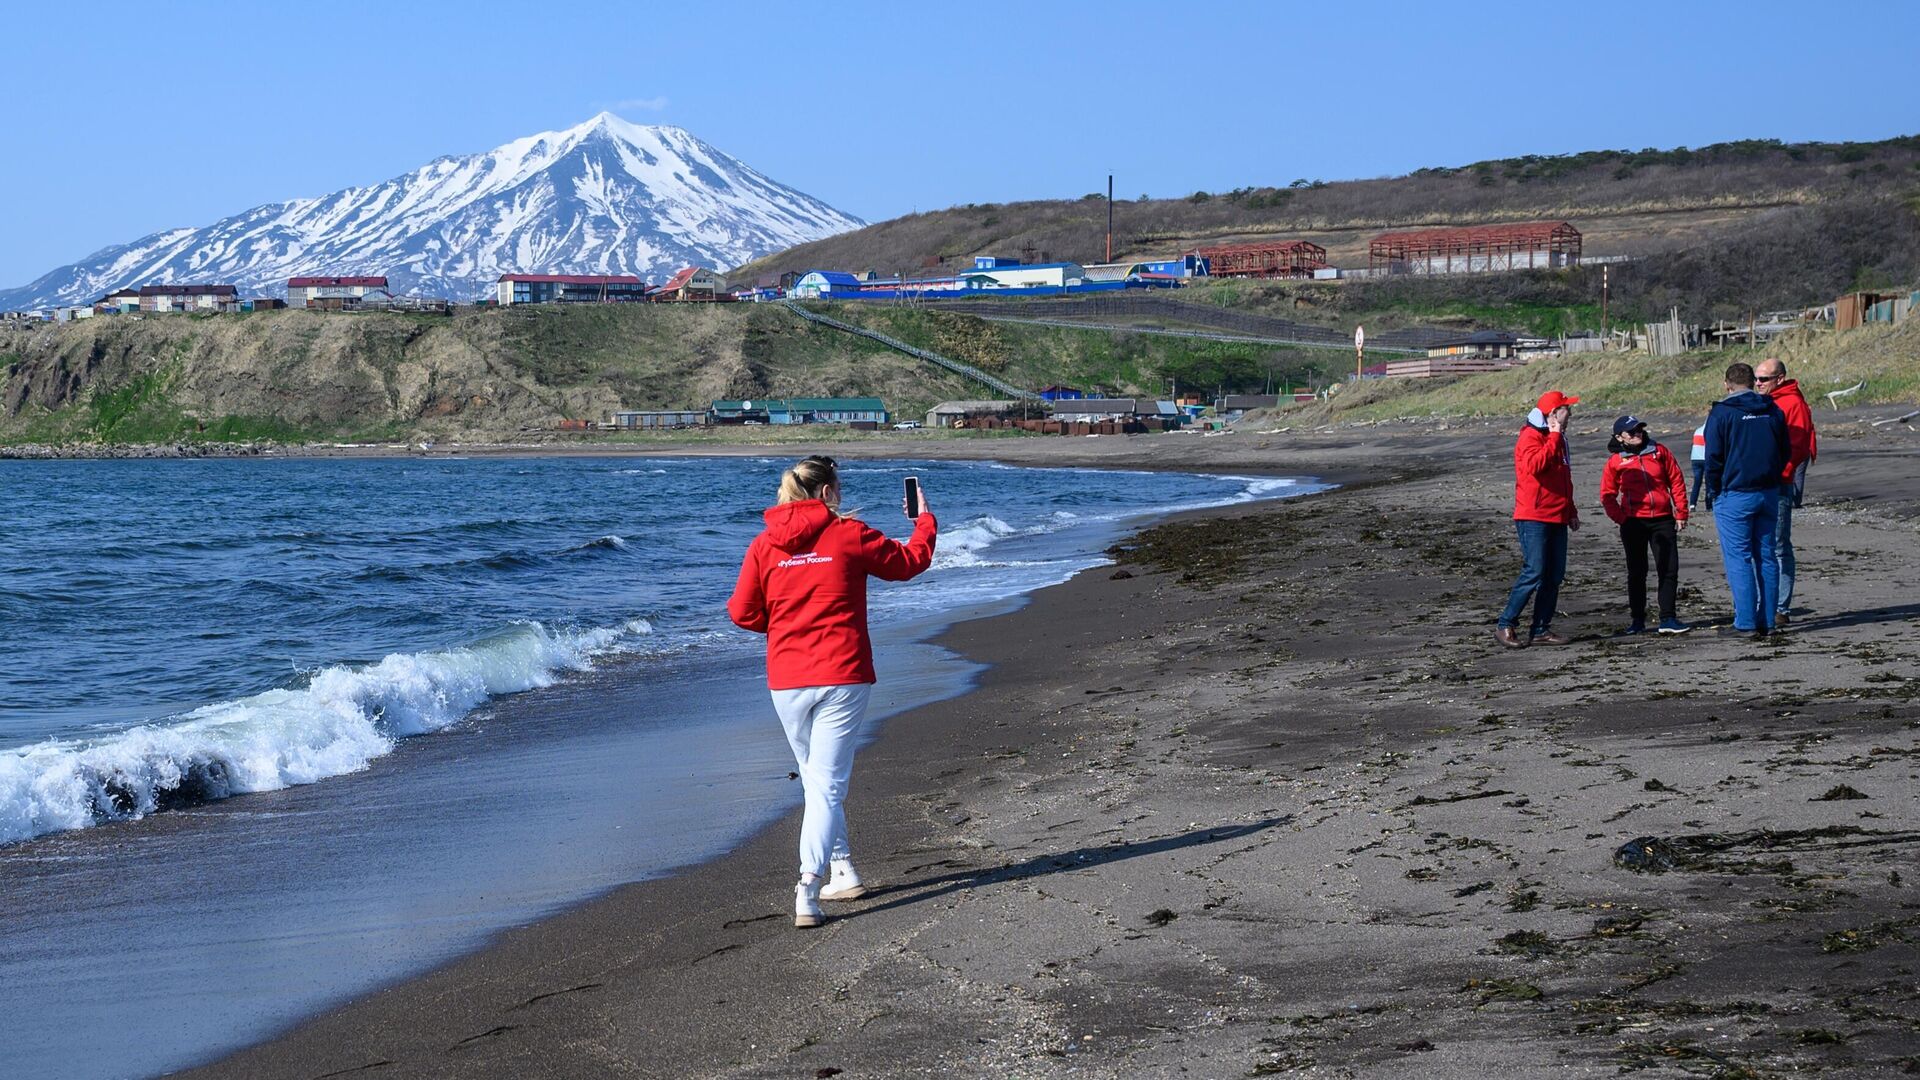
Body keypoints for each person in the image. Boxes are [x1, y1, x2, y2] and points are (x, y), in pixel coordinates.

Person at [727, 455, 938, 928]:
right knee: (824, 784)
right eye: (837, 488)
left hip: (788, 678)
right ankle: (808, 886)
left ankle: (843, 871)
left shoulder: (764, 545)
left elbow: (742, 611)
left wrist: (785, 627)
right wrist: (924, 520)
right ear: (825, 493)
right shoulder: (849, 534)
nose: (840, 496)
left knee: (817, 781)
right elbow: (910, 562)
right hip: (841, 673)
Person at [1703, 363, 1789, 640]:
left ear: (1727, 384)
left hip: (1735, 493)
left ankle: (1747, 622)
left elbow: (1712, 457)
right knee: (1766, 556)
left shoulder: (1722, 412)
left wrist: (1713, 489)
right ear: (1752, 382)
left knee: (1739, 558)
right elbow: (1785, 449)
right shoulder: (1772, 409)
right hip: (1767, 491)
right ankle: (1768, 620)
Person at [1497, 390, 1580, 648]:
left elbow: (1563, 479)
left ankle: (1541, 628)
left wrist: (1571, 511)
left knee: (1554, 575)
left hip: (1557, 514)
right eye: (1566, 409)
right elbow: (1535, 466)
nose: (1571, 413)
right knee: (1534, 570)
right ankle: (1505, 623)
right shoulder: (1530, 436)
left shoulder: (1560, 439)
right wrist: (1554, 435)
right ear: (1553, 414)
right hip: (1533, 515)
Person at [1600, 415, 1690, 635]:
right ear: (1619, 436)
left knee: (1668, 569)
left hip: (1662, 519)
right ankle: (1637, 620)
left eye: (1639, 430)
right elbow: (1607, 495)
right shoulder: (1615, 461)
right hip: (1633, 522)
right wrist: (1621, 518)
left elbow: (1676, 480)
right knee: (1637, 572)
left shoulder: (1659, 452)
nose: (1637, 434)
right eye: (1632, 432)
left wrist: (1681, 512)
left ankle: (1668, 618)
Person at [1755, 358, 1817, 625]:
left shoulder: (1793, 403)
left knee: (1779, 546)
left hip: (1779, 483)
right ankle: (1763, 603)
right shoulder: (1764, 401)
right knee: (1760, 546)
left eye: (1763, 379)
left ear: (1779, 378)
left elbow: (1799, 446)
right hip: (1757, 482)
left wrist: (1781, 472)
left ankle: (1781, 607)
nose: (1758, 384)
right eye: (1756, 379)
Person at [1688, 422, 1708, 511]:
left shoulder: (1697, 431)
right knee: (1709, 483)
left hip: (1695, 459)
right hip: (1705, 459)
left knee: (1697, 482)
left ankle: (1692, 504)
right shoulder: (1709, 431)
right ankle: (1709, 505)